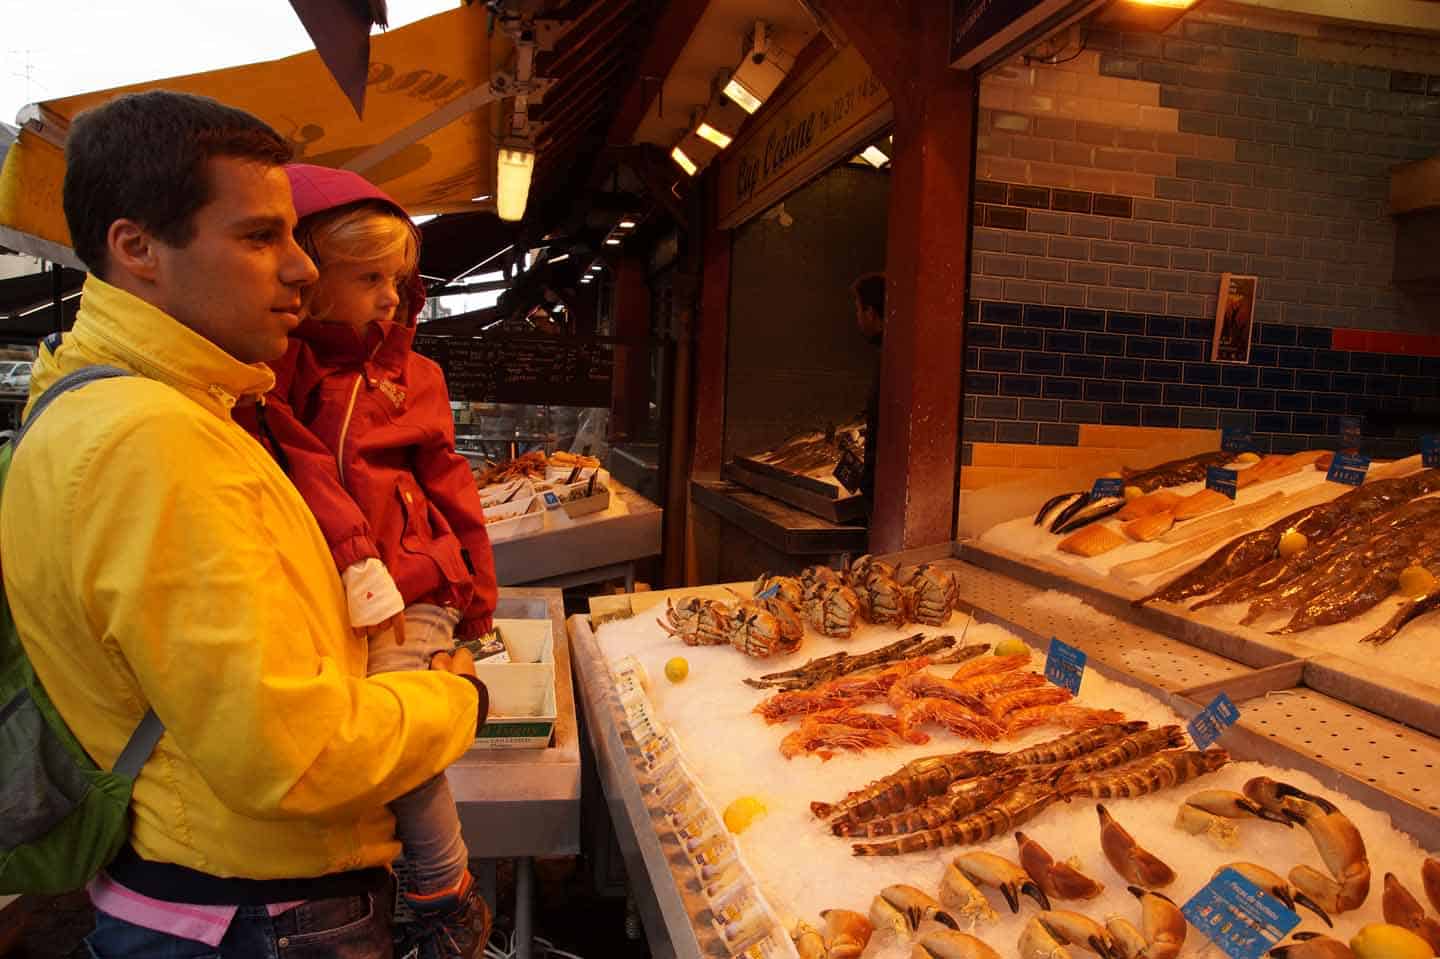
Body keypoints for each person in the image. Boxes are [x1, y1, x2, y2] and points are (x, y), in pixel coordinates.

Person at [0, 90, 489, 959]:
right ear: (137, 247)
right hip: (259, 917)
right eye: (261, 237)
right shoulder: (154, 441)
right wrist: (458, 695)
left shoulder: (116, 403)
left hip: (199, 888)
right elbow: (294, 758)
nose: (301, 269)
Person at [236, 163, 499, 957]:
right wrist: (350, 556)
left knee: (396, 716)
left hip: (414, 583)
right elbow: (297, 467)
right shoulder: (275, 373)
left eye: (400, 278)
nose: (392, 296)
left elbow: (450, 477)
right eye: (369, 278)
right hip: (326, 592)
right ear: (313, 278)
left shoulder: (417, 376)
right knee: (354, 732)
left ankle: (444, 884)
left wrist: (478, 588)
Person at [852, 272, 886, 506]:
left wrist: (869, 483)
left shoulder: (891, 357)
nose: (857, 318)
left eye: (858, 309)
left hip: (881, 495)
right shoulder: (886, 351)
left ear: (870, 312)